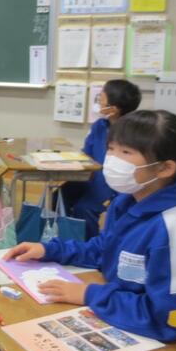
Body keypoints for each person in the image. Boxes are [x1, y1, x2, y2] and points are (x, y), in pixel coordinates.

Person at [5, 110, 176, 351]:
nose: (112, 160)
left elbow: (171, 321)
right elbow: (105, 250)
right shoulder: (128, 200)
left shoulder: (173, 230)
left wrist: (89, 294)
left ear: (165, 168)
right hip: (136, 334)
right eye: (111, 149)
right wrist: (49, 249)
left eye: (126, 152)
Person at [60, 79, 141, 238]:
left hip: (113, 185)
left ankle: (87, 243)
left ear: (114, 109)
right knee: (60, 195)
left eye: (101, 99)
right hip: (92, 178)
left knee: (84, 208)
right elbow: (86, 154)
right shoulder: (99, 126)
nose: (98, 102)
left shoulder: (131, 134)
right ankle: (62, 235)